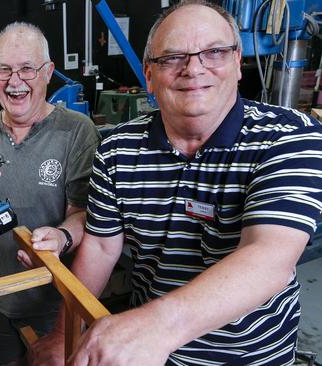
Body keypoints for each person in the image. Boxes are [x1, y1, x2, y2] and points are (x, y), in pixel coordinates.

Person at [28, 1, 322, 365]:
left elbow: (268, 257)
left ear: (236, 61)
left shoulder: (290, 137)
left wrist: (155, 327)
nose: (193, 68)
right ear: (149, 75)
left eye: (213, 52)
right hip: (148, 353)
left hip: (248, 356)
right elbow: (102, 249)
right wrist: (63, 335)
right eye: (172, 58)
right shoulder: (117, 150)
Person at [0, 22, 101, 366]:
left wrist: (61, 236)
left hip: (54, 306)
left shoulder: (77, 132)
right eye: (4, 70)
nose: (15, 81)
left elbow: (87, 218)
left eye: (27, 69)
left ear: (48, 73)